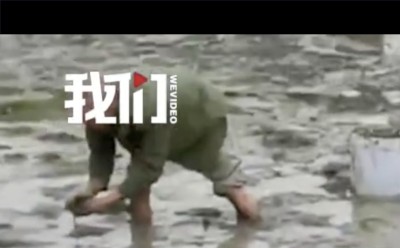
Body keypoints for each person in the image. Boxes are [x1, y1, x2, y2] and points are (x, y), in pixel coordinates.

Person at [65, 70, 260, 226]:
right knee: (138, 188)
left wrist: (107, 201)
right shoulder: (93, 107)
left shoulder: (150, 107)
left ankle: (252, 229)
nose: (90, 124)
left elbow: (151, 166)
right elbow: (100, 152)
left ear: (113, 105)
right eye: (85, 118)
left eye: (94, 118)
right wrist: (91, 188)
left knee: (222, 178)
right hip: (152, 119)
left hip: (199, 113)